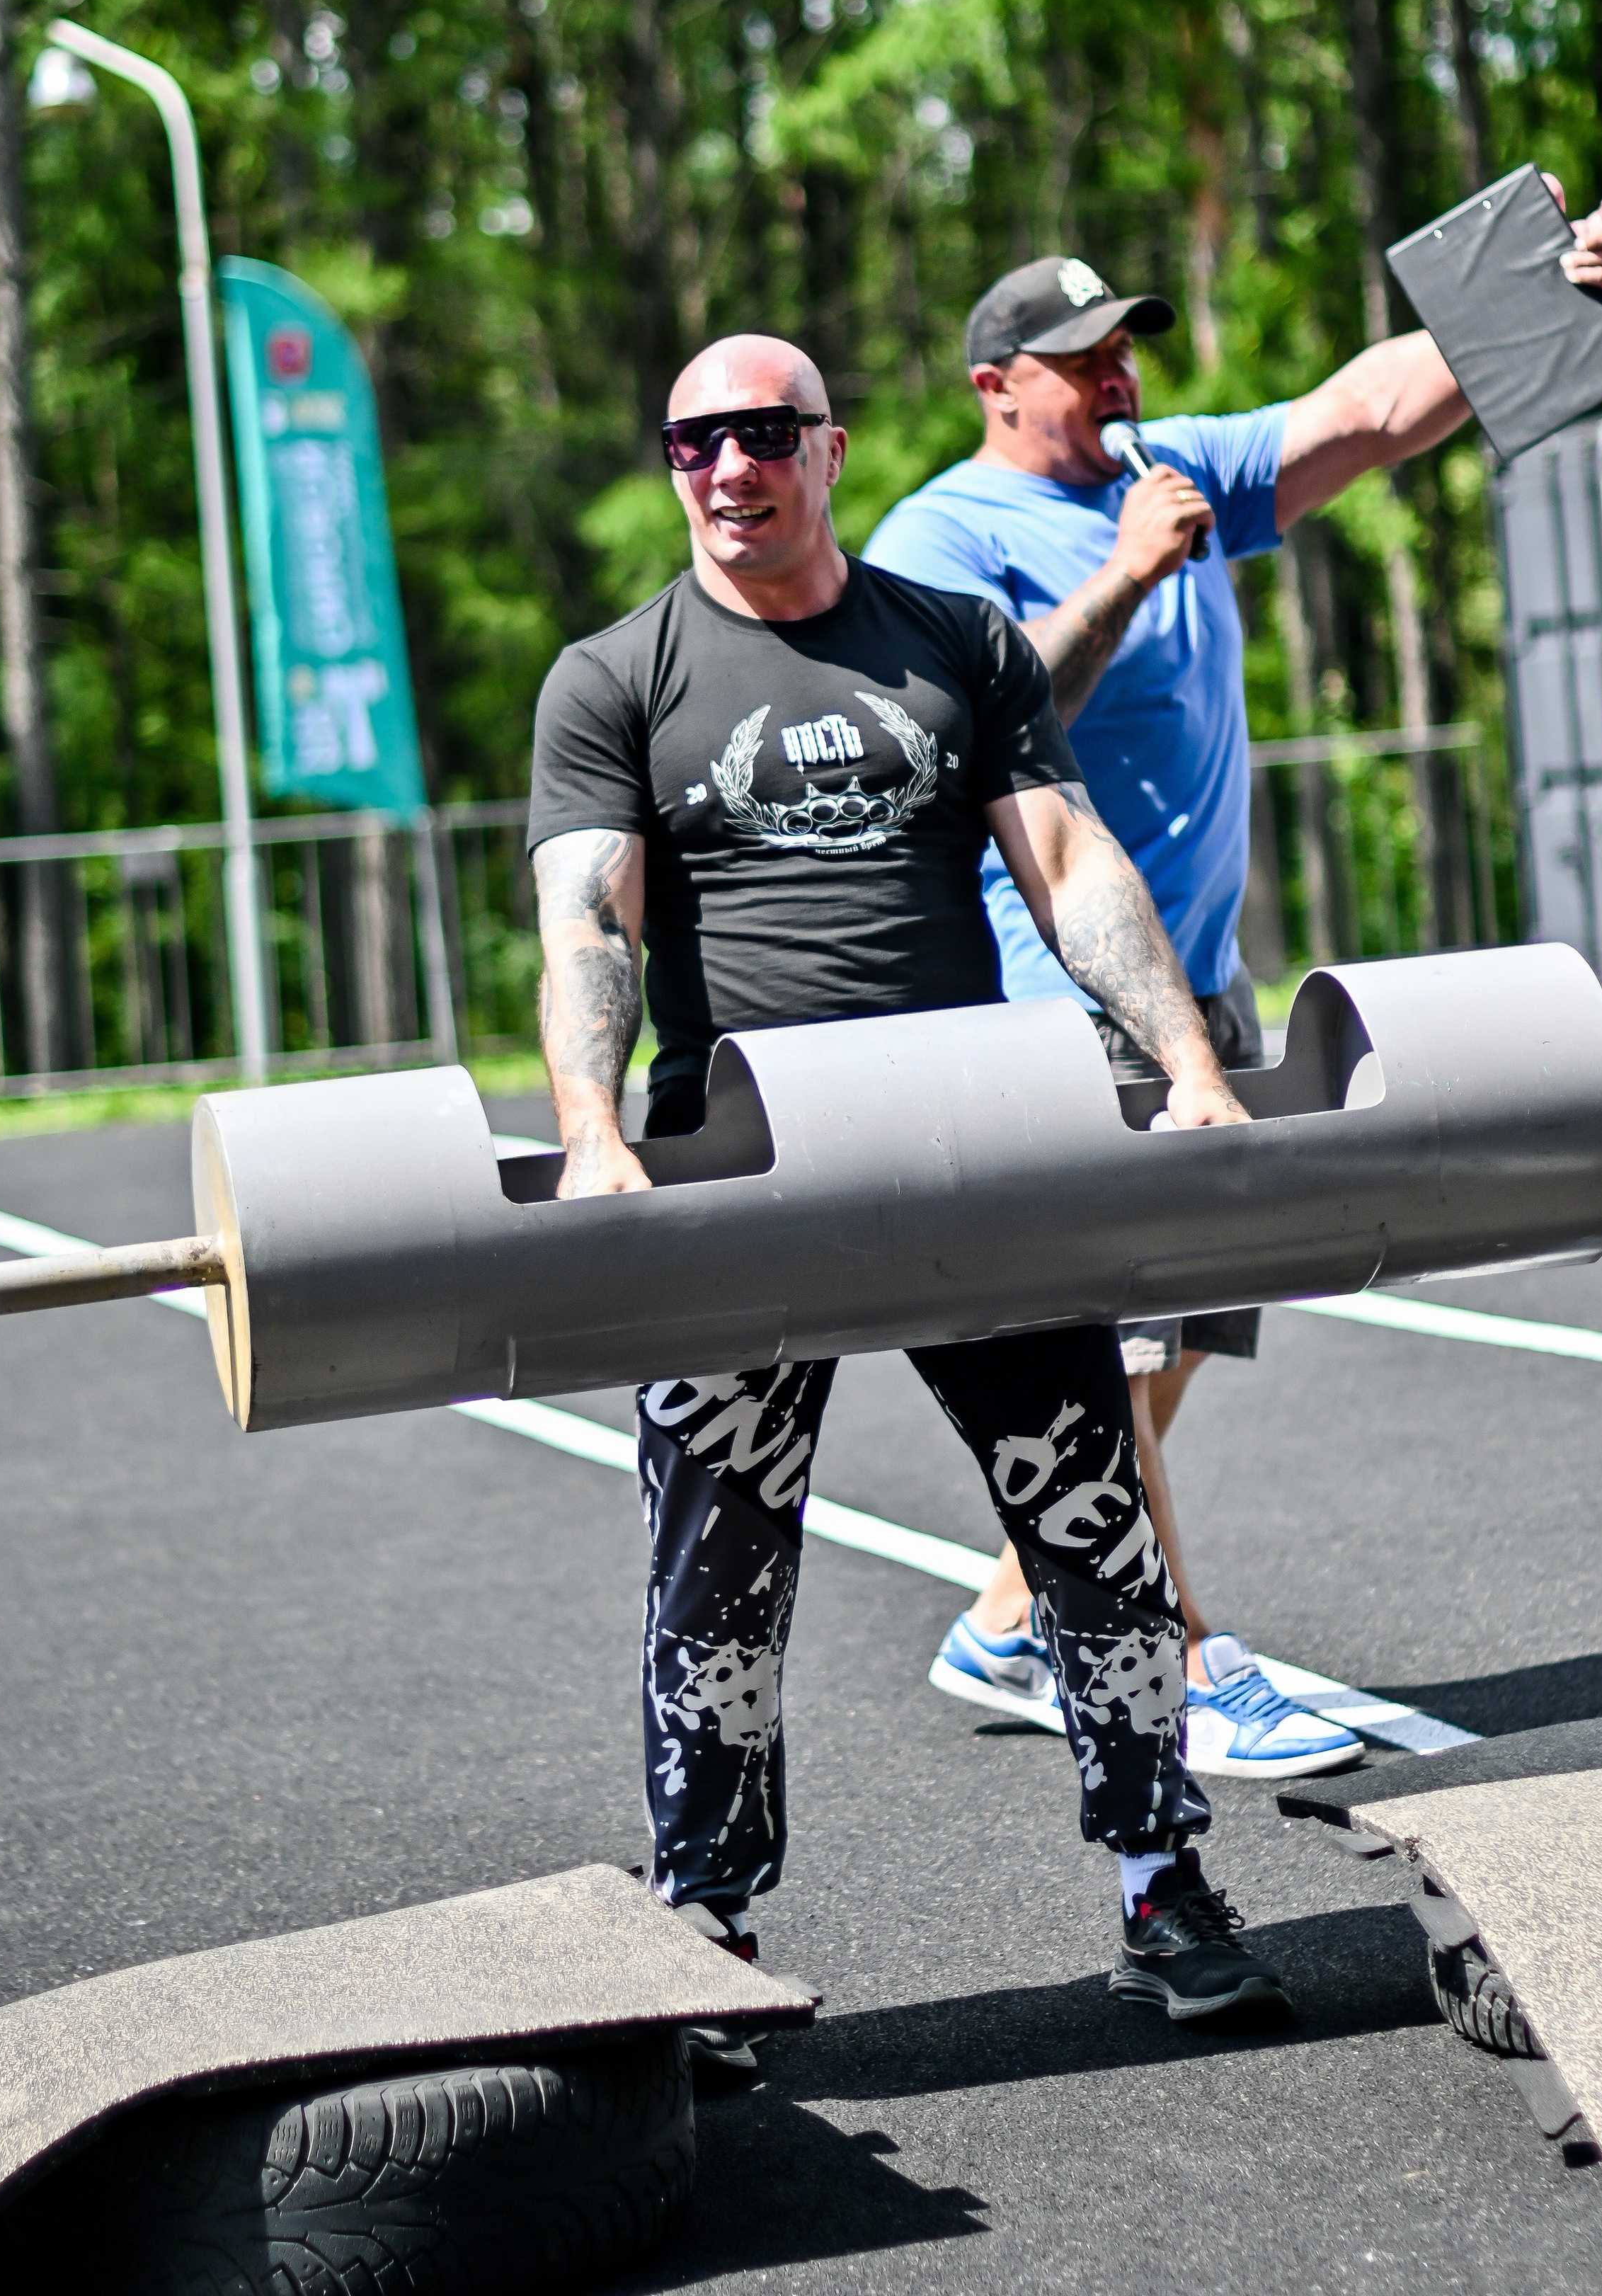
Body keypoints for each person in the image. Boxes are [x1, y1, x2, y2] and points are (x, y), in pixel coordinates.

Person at [530, 331, 1288, 2050]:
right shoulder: (616, 676)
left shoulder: (951, 646)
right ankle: (704, 1931)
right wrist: (590, 1125)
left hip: (966, 1146)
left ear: (829, 448)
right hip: (740, 1177)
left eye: (763, 436)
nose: (730, 469)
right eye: (694, 441)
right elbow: (590, 918)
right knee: (712, 1573)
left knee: (1090, 1525)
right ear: (672, 466)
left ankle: (1161, 1885)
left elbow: (1070, 860)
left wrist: (1183, 1062)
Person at [866, 188, 1602, 1778]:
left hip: (1190, 982)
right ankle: (1169, 1653)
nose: (1116, 375)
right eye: (1079, 359)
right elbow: (981, 737)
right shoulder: (939, 541)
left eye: (1125, 346)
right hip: (1051, 994)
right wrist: (1128, 578)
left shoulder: (1174, 467)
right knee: (1121, 1335)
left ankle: (1017, 1606)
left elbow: (1360, 413)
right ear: (994, 385)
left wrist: (1530, 300)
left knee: (1191, 1314)